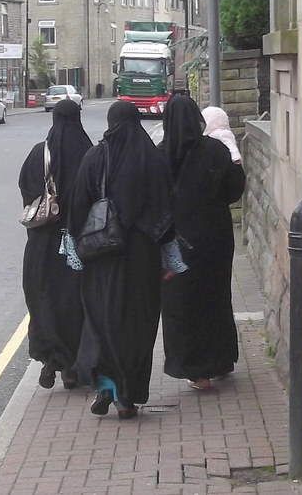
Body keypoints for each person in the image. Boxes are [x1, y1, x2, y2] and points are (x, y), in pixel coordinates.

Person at [67, 100, 174, 419]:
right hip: (142, 256)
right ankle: (127, 396)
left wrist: (78, 245)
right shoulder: (151, 158)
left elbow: (78, 207)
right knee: (137, 325)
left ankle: (106, 386)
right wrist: (168, 253)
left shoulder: (96, 156)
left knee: (102, 321)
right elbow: (167, 209)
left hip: (103, 255)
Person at [159, 96, 247, 390]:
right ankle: (221, 360)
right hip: (216, 237)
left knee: (181, 305)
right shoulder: (216, 150)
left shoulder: (160, 155)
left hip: (176, 243)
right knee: (216, 297)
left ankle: (197, 372)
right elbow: (236, 187)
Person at [18, 98, 94, 391]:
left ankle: (51, 358)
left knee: (44, 301)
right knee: (76, 303)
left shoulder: (40, 153)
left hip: (42, 244)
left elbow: (27, 191)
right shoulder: (89, 153)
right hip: (78, 243)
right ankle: (73, 368)